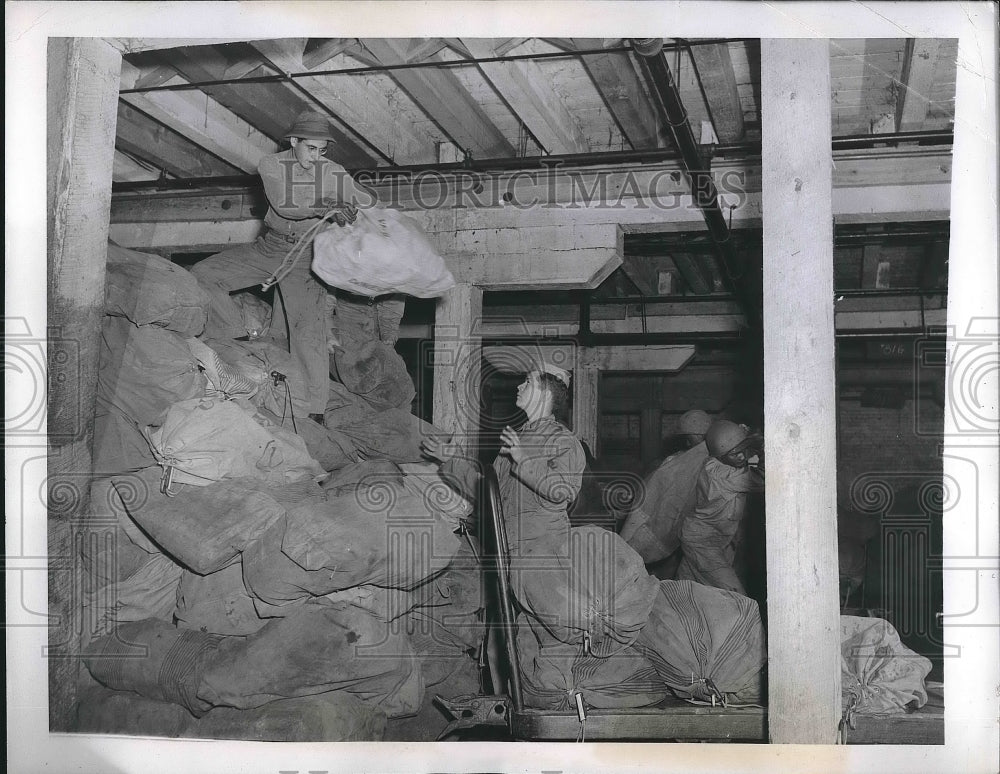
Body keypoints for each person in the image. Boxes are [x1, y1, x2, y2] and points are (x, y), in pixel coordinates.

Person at [191, 111, 363, 425]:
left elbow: (356, 202)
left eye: (322, 149)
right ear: (293, 141)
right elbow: (285, 203)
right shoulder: (270, 165)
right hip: (271, 247)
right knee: (204, 275)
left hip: (306, 257)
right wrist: (324, 204)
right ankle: (235, 339)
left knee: (307, 333)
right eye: (311, 148)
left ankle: (314, 410)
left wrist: (353, 213)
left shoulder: (333, 170)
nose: (317, 156)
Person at [421, 363, 586, 608]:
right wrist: (450, 460)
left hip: (543, 556)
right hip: (506, 552)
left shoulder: (563, 441)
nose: (519, 386)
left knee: (551, 633)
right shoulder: (518, 439)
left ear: (546, 393)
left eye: (528, 382)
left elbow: (564, 490)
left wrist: (524, 459)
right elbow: (487, 491)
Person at [676, 419, 765, 595]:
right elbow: (765, 479)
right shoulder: (721, 475)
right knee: (737, 598)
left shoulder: (723, 461)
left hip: (718, 540)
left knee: (685, 594)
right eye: (734, 454)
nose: (741, 457)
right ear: (720, 456)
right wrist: (761, 445)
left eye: (743, 450)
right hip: (702, 542)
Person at [619, 409, 713, 572]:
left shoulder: (675, 463)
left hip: (680, 533)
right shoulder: (714, 458)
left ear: (691, 438)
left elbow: (652, 495)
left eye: (688, 439)